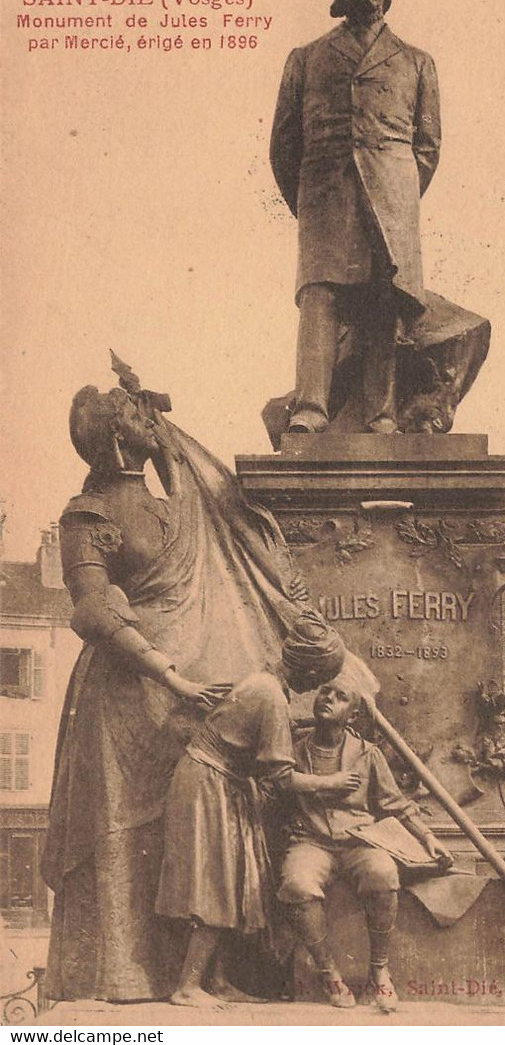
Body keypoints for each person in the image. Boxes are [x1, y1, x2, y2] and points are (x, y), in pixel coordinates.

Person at [41, 374, 308, 1002]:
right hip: (130, 697)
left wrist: (170, 449)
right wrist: (169, 674)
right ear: (112, 433)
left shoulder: (178, 502)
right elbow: (92, 610)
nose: (148, 411)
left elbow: (224, 507)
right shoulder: (89, 512)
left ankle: (205, 975)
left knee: (194, 835)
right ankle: (128, 976)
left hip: (192, 698)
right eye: (133, 409)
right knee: (127, 832)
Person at [270, 0, 441, 434]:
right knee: (320, 295)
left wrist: (397, 192)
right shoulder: (306, 58)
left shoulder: (416, 62)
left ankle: (381, 412)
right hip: (324, 196)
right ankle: (310, 408)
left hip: (390, 199)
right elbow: (284, 148)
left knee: (382, 299)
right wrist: (310, 197)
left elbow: (427, 147)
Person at [155, 614, 358, 1008]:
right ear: (309, 669)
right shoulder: (270, 696)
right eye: (319, 678)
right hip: (208, 784)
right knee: (216, 883)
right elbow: (283, 779)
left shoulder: (264, 683)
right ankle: (187, 986)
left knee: (230, 881)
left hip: (215, 781)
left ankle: (215, 981)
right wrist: (331, 783)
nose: (316, 688)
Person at [278, 669, 452, 1012]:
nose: (328, 698)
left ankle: (379, 970)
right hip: (310, 842)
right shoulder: (293, 751)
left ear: (353, 715)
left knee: (383, 874)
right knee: (297, 884)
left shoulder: (367, 753)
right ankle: (329, 974)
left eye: (340, 696)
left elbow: (395, 804)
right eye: (325, 691)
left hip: (359, 840)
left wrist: (428, 837)